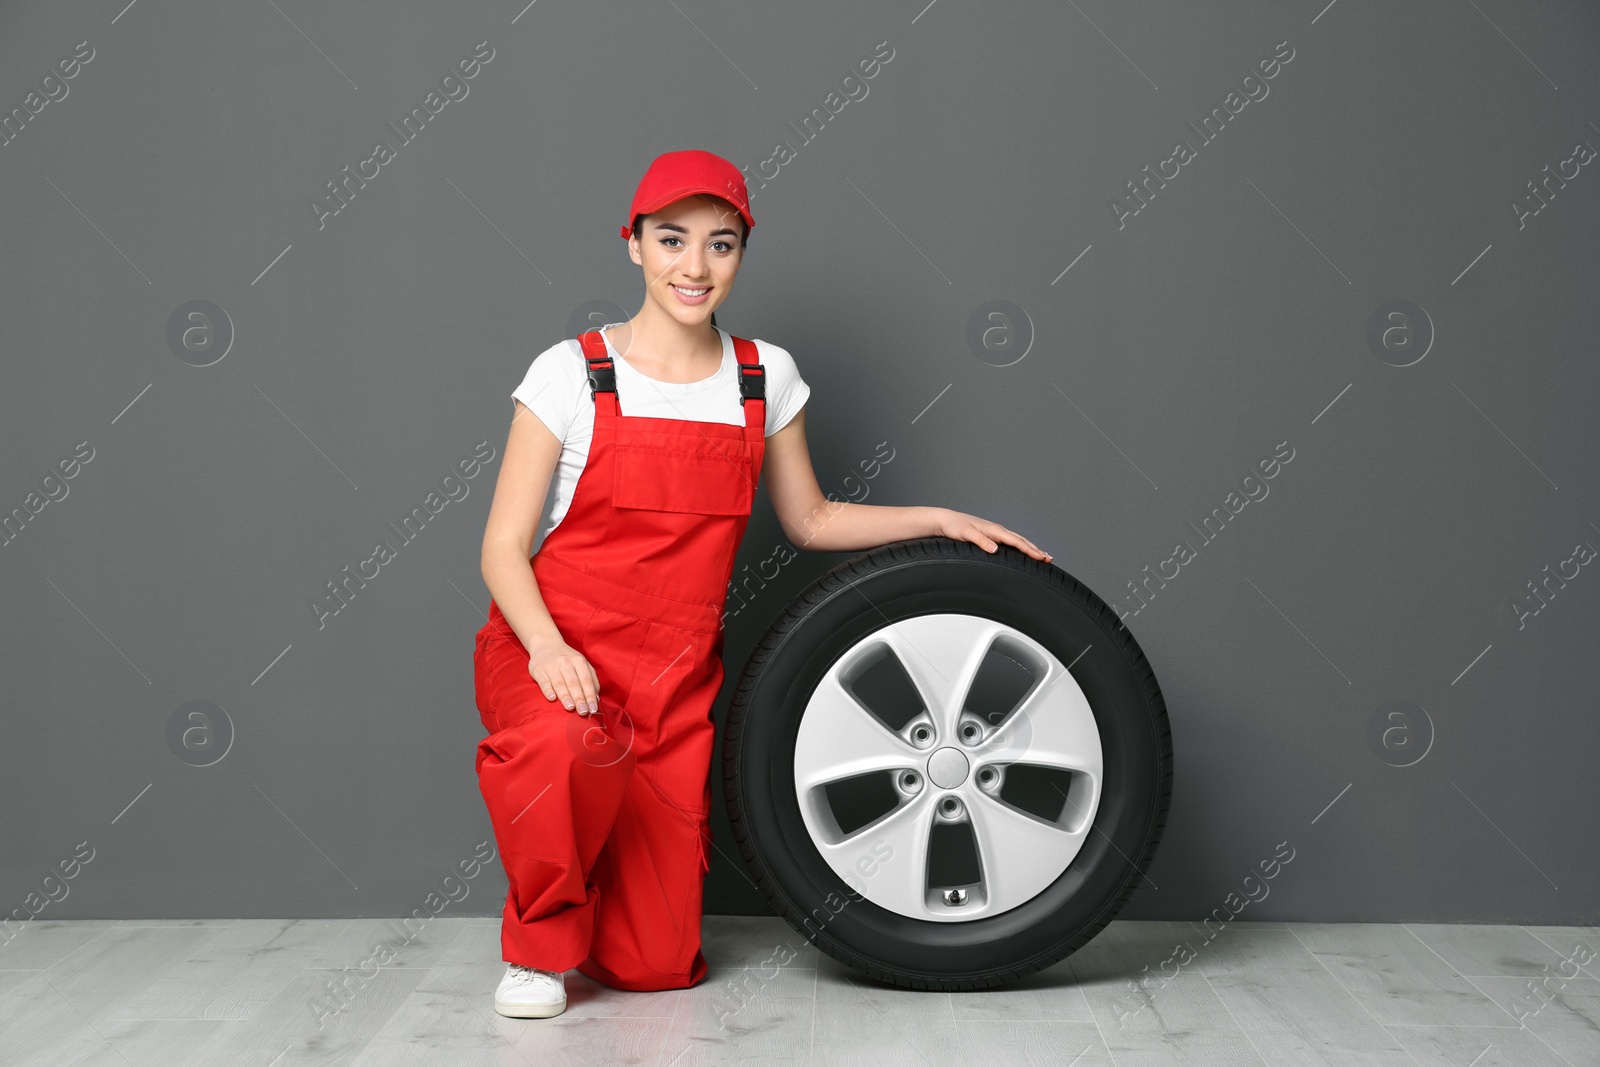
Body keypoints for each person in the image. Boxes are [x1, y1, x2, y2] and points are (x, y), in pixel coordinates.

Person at [472, 149, 1052, 1019]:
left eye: (721, 243)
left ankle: (605, 904)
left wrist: (934, 517)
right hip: (554, 654)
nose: (694, 267)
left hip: (672, 686)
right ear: (632, 244)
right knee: (562, 748)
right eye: (671, 240)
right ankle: (538, 947)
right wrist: (550, 649)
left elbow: (811, 520)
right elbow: (502, 548)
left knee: (657, 966)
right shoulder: (571, 373)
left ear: (744, 251)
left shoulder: (762, 378)